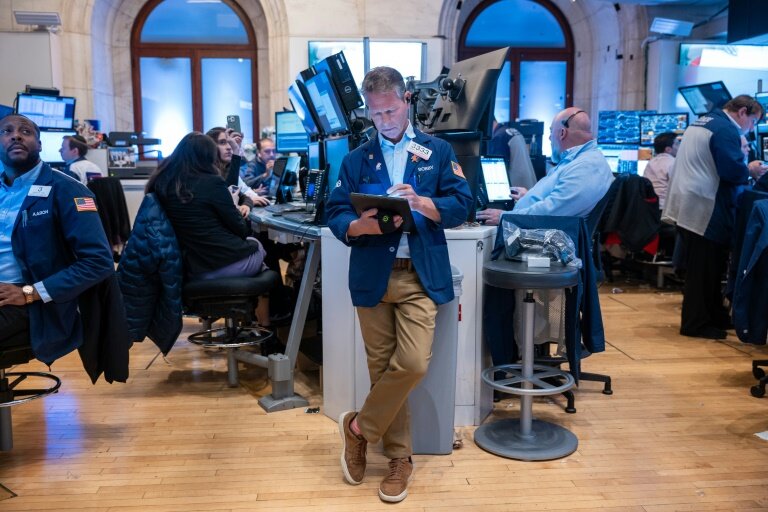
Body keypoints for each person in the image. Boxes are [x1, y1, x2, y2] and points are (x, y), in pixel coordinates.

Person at [326, 66, 472, 503]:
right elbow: (335, 212)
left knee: (411, 364)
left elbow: (463, 205)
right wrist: (358, 226)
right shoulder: (356, 159)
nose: (383, 120)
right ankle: (399, 459)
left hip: (419, 275)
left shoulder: (438, 151)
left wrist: (423, 203)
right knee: (380, 370)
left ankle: (357, 428)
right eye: (375, 113)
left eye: (390, 111)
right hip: (372, 275)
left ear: (406, 100)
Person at [0, 114, 115, 363]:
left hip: (34, 303)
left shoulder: (68, 190)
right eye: (6, 131)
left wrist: (30, 292)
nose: (16, 136)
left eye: (25, 132)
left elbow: (99, 261)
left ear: (40, 144)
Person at [663, 95, 768, 340]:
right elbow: (731, 170)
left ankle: (714, 315)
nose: (751, 128)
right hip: (704, 206)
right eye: (753, 121)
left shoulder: (705, 121)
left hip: (688, 203)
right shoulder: (725, 130)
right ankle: (695, 323)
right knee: (704, 269)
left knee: (710, 265)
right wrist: (751, 170)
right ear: (742, 112)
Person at [145, 132, 272, 325]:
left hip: (192, 268)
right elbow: (242, 230)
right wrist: (234, 205)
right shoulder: (212, 182)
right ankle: (263, 326)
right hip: (221, 263)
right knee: (258, 245)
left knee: (253, 251)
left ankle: (242, 321)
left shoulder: (163, 184)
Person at [476, 107, 613, 225]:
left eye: (551, 132)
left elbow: (551, 213)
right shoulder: (580, 160)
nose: (549, 138)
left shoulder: (586, 168)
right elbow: (562, 200)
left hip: (544, 238)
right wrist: (529, 196)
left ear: (562, 133)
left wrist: (504, 217)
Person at [206, 127, 269, 210]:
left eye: (230, 143)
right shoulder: (209, 173)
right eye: (222, 142)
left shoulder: (227, 168)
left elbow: (241, 195)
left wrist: (248, 202)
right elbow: (229, 199)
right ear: (211, 147)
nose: (229, 147)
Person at [644, 132, 680, 210]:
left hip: (650, 209)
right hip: (666, 209)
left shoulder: (650, 163)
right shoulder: (673, 163)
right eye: (677, 144)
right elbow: (680, 188)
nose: (680, 147)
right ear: (668, 149)